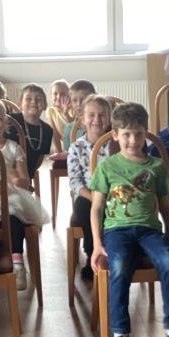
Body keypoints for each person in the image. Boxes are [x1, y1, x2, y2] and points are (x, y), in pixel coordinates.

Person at [90, 102, 169, 337]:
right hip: (116, 231)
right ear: (115, 135)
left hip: (149, 231)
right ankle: (120, 331)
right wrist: (96, 244)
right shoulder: (107, 166)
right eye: (126, 135)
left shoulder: (156, 166)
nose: (133, 141)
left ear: (146, 133)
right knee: (120, 265)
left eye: (138, 134)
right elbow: (96, 208)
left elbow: (166, 206)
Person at [0, 97, 46, 291]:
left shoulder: (13, 147)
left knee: (14, 214)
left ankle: (17, 262)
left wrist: (13, 179)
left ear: (6, 121)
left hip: (10, 194)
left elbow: (25, 180)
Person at [67, 94, 112, 281]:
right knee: (83, 206)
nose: (97, 120)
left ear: (109, 118)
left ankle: (115, 251)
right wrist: (94, 197)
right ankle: (92, 252)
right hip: (89, 195)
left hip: (115, 194)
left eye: (102, 115)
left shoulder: (116, 144)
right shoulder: (76, 147)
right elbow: (75, 182)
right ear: (82, 119)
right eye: (91, 115)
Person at [10, 84, 54, 180]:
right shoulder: (11, 121)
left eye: (38, 99)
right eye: (28, 99)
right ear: (20, 104)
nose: (34, 102)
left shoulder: (47, 130)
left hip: (27, 174)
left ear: (45, 105)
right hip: (6, 171)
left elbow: (39, 159)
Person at [62, 79, 96, 151]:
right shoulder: (69, 129)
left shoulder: (100, 124)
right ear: (70, 103)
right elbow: (67, 154)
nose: (79, 104)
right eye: (74, 100)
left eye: (83, 99)